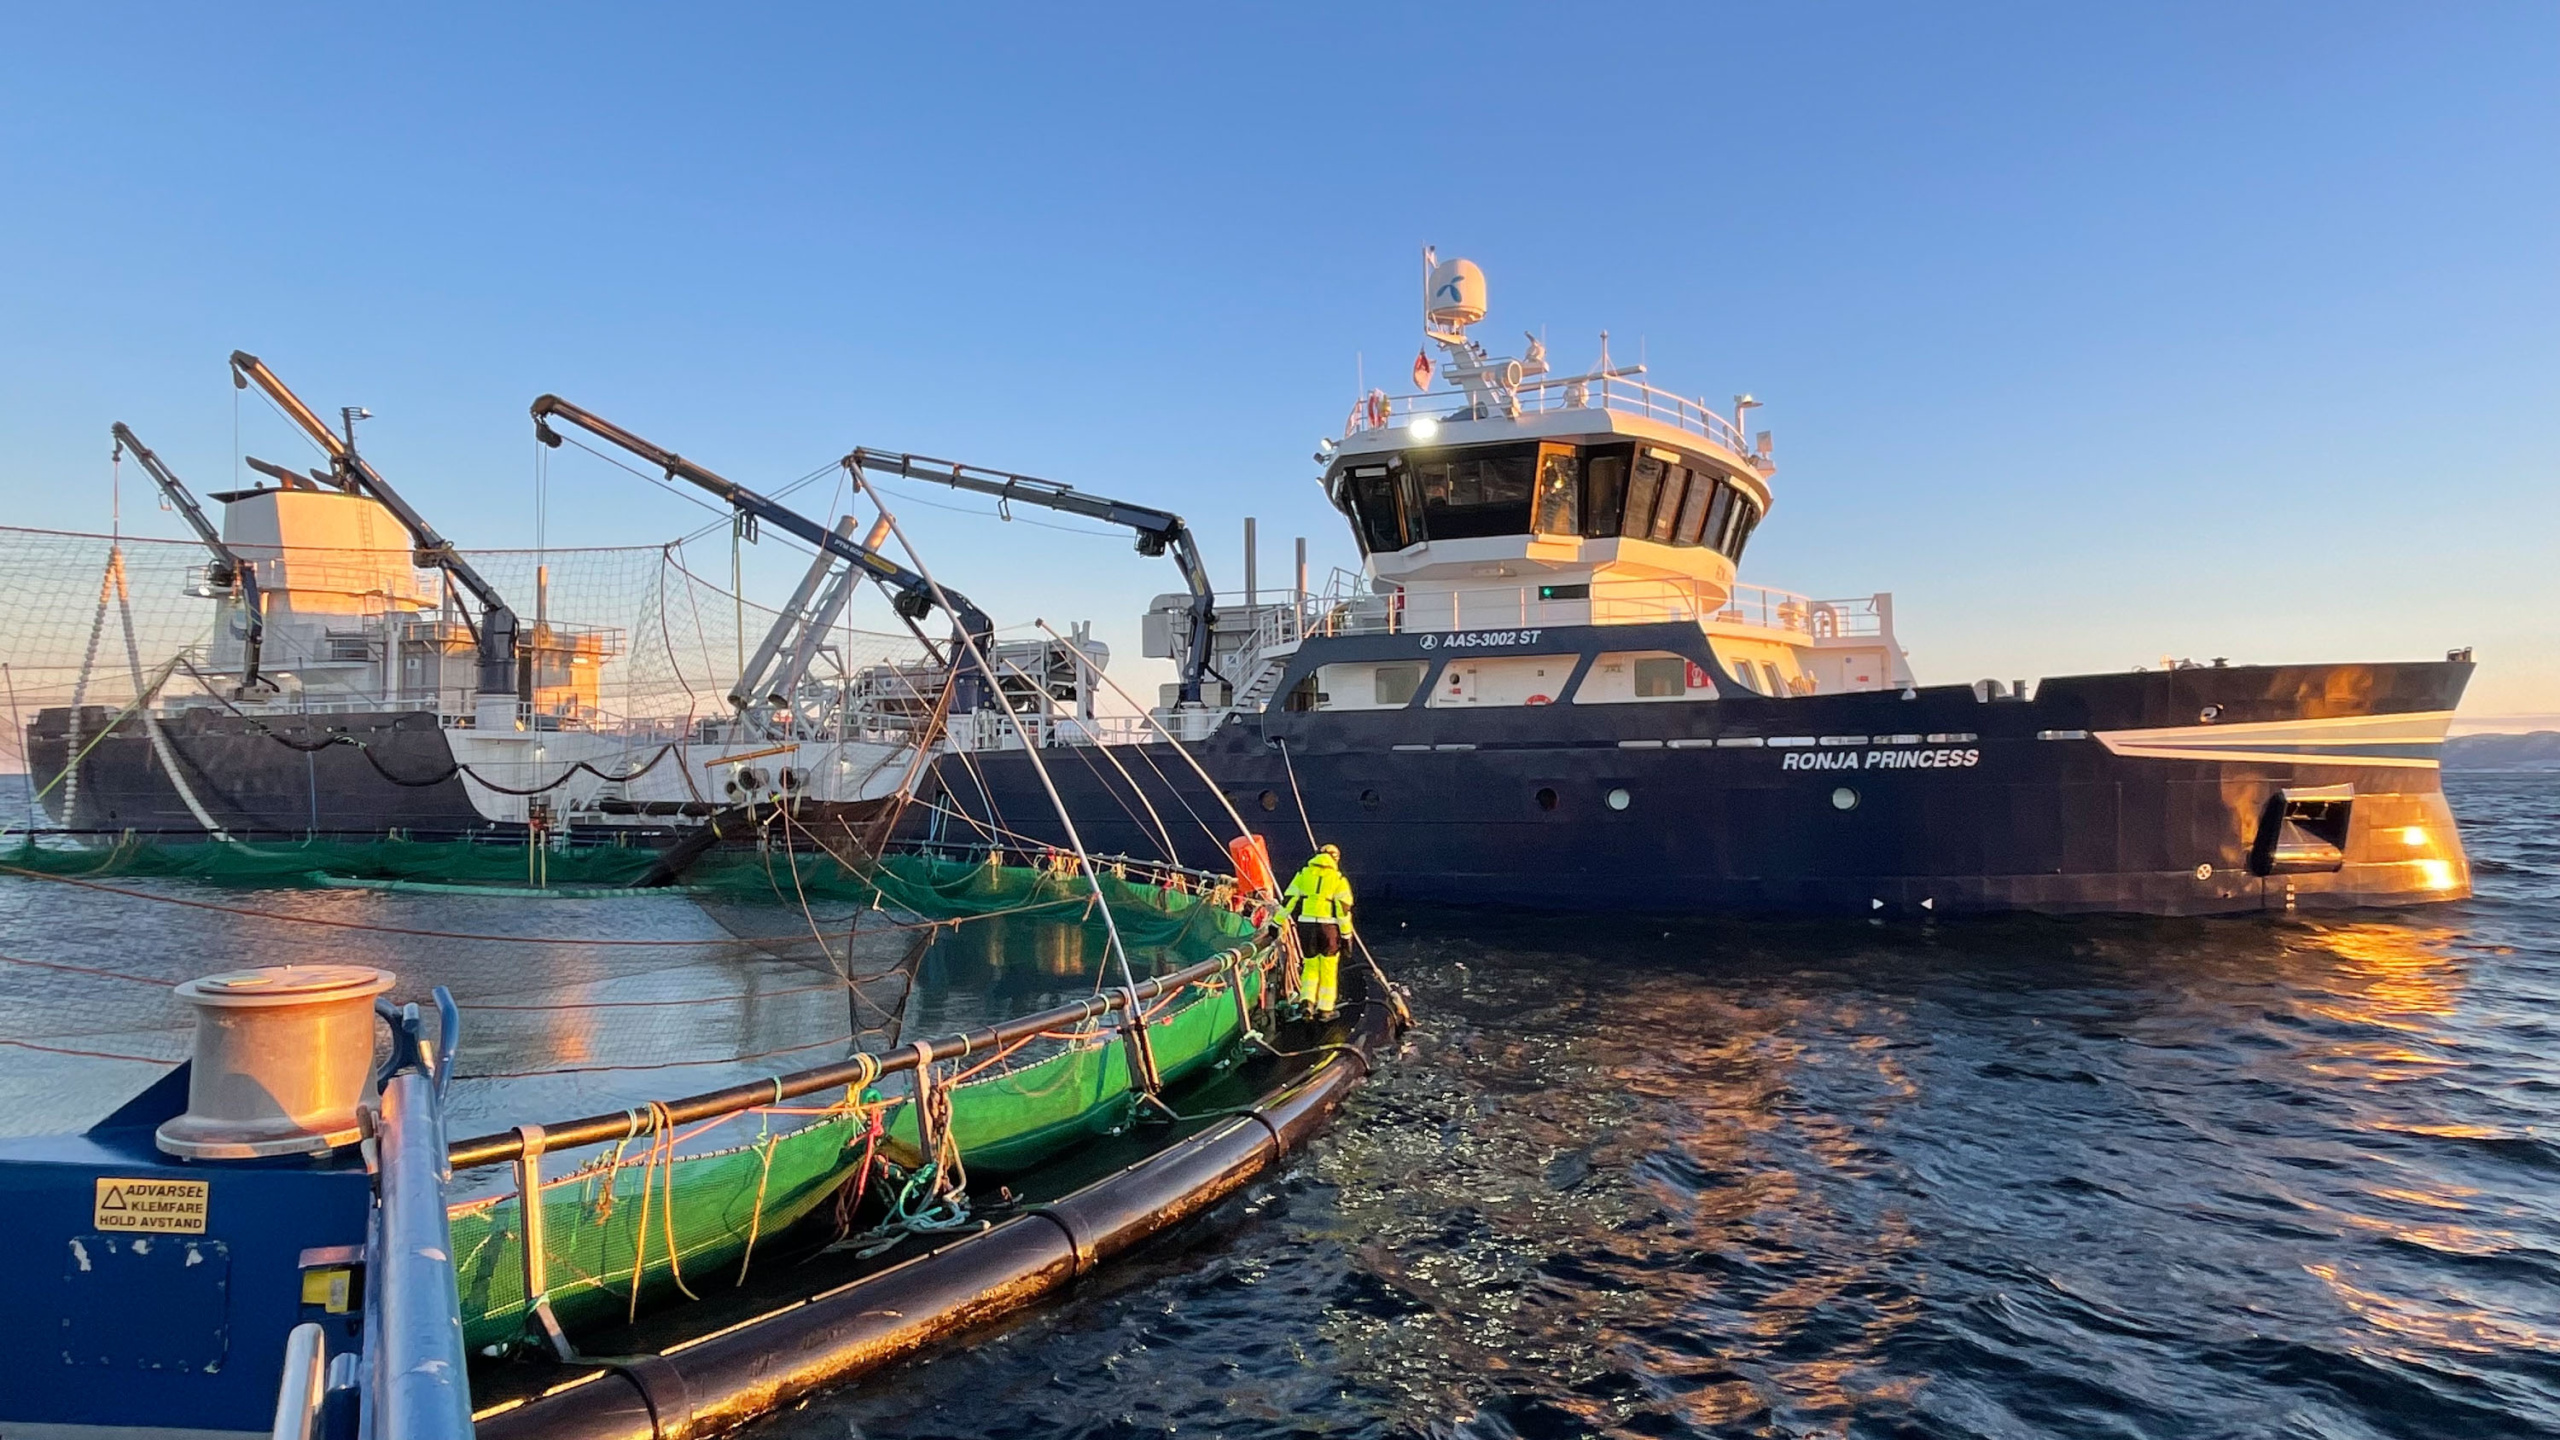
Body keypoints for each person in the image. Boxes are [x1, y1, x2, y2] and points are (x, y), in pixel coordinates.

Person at [1282, 843, 1355, 1020]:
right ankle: (1325, 1010)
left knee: (1310, 966)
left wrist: (1275, 923)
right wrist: (1346, 937)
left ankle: (1307, 1002)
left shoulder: (1303, 874)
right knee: (1328, 969)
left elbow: (1289, 901)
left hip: (1306, 927)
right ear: (1336, 858)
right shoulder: (1339, 880)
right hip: (1328, 928)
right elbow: (1343, 912)